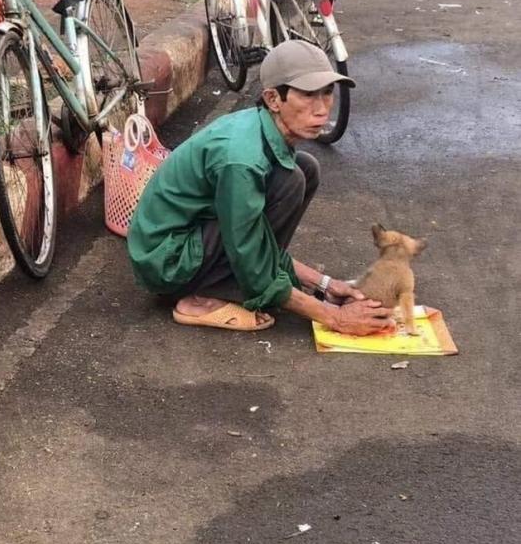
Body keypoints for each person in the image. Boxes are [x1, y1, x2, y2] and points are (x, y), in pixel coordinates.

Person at [127, 41, 394, 335]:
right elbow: (249, 249)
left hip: (196, 234)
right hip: (166, 261)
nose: (321, 110)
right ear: (273, 99)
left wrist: (325, 286)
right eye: (307, 95)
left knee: (302, 170)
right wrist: (334, 317)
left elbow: (257, 241)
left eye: (327, 93)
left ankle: (241, 284)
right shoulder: (243, 159)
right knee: (291, 180)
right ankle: (203, 298)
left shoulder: (262, 131)